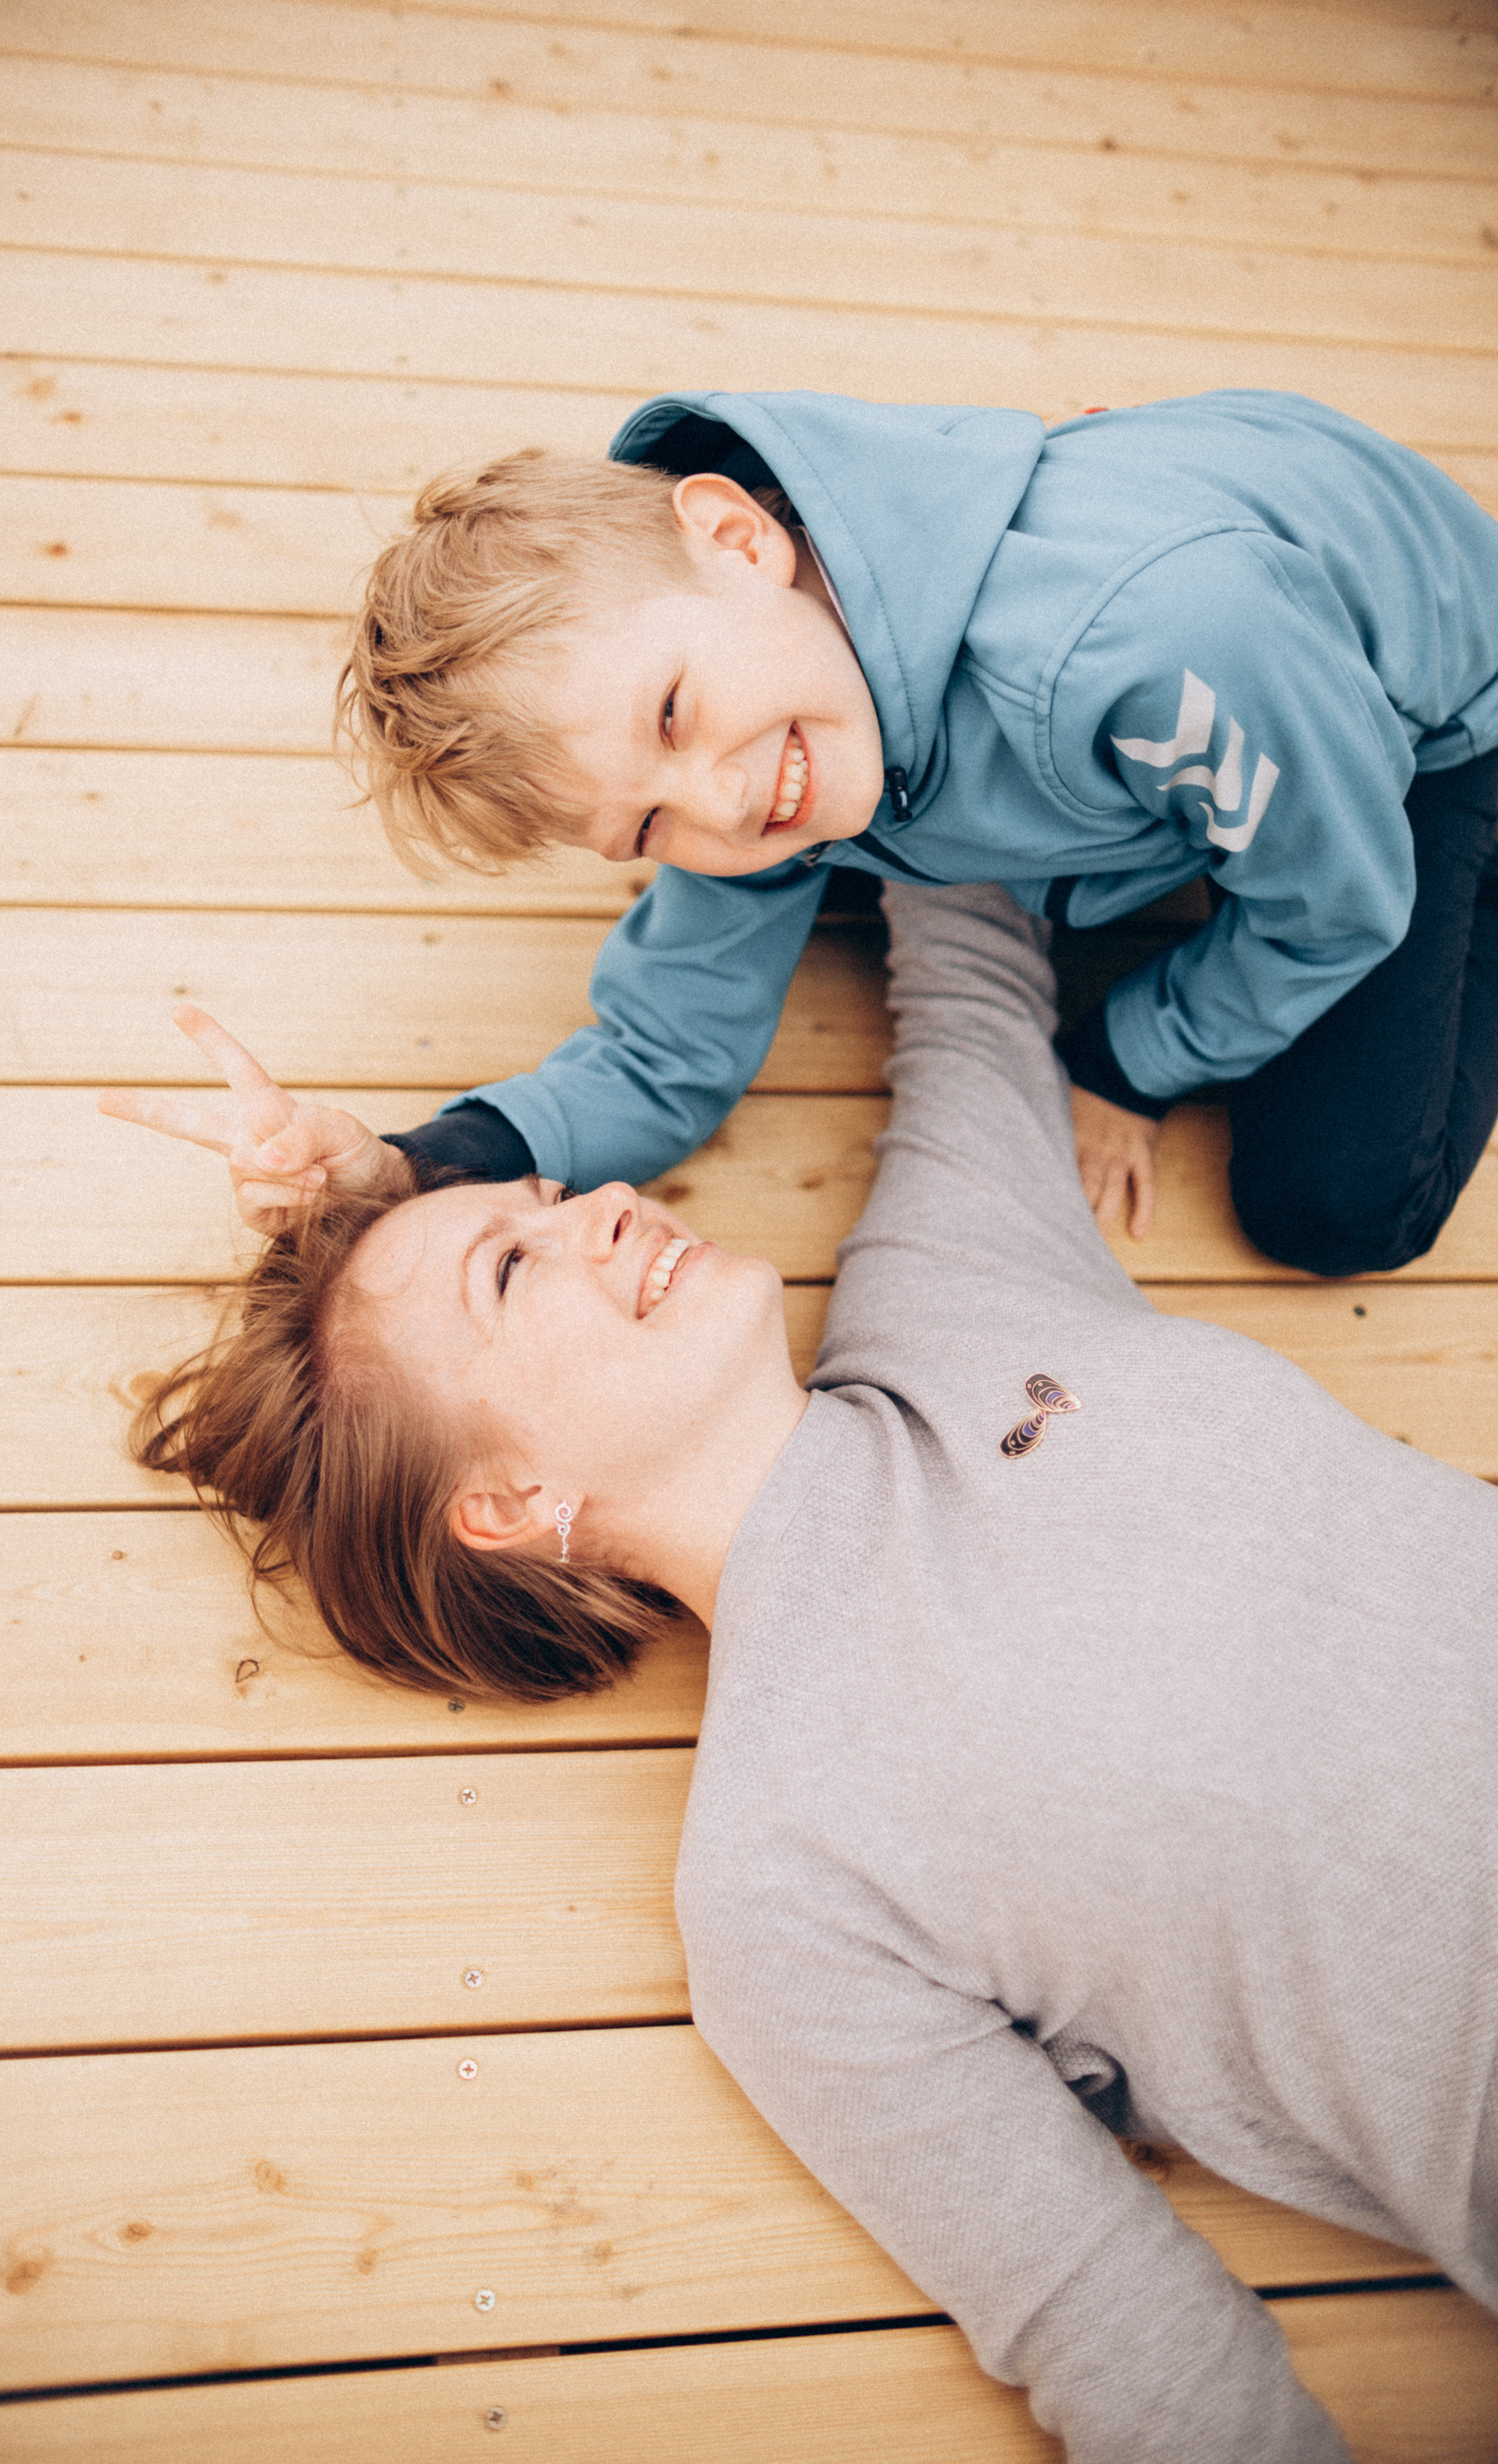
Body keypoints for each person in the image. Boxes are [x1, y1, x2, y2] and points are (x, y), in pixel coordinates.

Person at [102, 881, 1498, 2462]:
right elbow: (1119, 2331)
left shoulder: (953, 1287)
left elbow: (969, 940)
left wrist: (410, 1171)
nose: (599, 1211)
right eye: (513, 1269)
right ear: (502, 1510)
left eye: (548, 1194)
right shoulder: (778, 1888)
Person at [339, 388, 1498, 1276]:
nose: (722, 807)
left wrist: (1127, 1061)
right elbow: (669, 1051)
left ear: (741, 540)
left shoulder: (1158, 641)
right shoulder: (757, 735)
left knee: (1334, 1205)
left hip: (1444, 732)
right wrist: (422, 1163)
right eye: (645, 823)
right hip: (1254, 673)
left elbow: (1335, 906)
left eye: (673, 713)